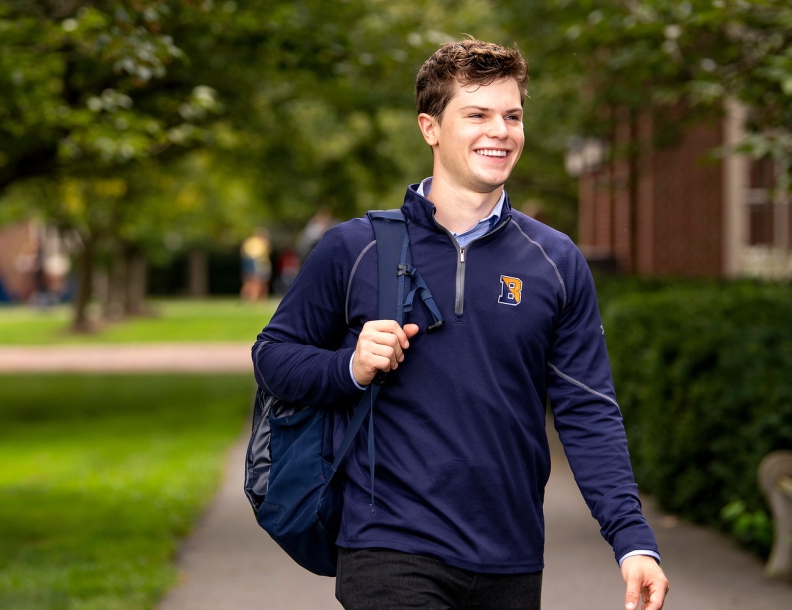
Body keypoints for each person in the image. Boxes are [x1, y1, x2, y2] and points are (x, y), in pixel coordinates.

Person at [252, 39, 669, 609]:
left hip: (511, 555)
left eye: (512, 115)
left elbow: (587, 408)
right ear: (430, 127)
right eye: (477, 114)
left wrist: (632, 541)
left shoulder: (554, 260)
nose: (501, 130)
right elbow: (273, 357)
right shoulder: (356, 248)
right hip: (388, 547)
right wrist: (347, 367)